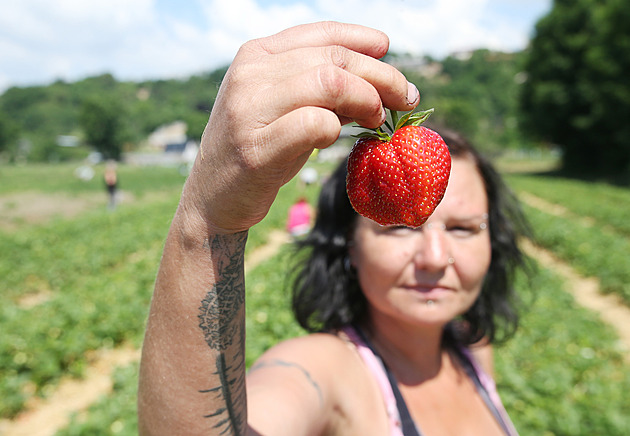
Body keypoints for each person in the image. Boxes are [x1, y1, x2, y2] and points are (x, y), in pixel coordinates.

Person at [138, 21, 529, 436]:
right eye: (398, 230)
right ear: (350, 244)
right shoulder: (323, 371)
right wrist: (208, 223)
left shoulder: (470, 348)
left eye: (465, 229)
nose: (434, 257)